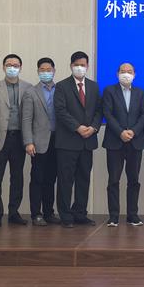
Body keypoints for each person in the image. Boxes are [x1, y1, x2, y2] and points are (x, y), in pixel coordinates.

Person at [54, 51, 103, 228]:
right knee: (65, 181)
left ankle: (80, 213)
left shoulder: (94, 86)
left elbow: (99, 110)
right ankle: (66, 216)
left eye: (82, 65)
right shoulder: (62, 86)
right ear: (71, 66)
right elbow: (60, 111)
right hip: (67, 142)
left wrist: (94, 128)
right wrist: (77, 127)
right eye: (76, 65)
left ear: (87, 66)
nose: (80, 68)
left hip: (87, 141)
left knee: (84, 179)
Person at [102, 62, 144, 227]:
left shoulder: (140, 92)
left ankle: (132, 215)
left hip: (135, 142)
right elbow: (107, 113)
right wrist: (121, 132)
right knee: (113, 180)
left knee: (134, 180)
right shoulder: (109, 91)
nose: (126, 74)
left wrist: (133, 131)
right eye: (123, 71)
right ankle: (114, 216)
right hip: (115, 141)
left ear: (134, 74)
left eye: (129, 71)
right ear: (117, 74)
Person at [0, 54, 32, 227]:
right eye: (9, 64)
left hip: (19, 138)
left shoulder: (28, 88)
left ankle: (14, 212)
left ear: (21, 67)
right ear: (3, 67)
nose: (12, 68)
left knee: (17, 178)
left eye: (15, 65)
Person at [22, 57, 60, 226]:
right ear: (38, 71)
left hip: (58, 141)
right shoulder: (31, 92)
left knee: (51, 179)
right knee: (37, 178)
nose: (45, 72)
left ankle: (49, 212)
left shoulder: (61, 90)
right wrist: (28, 142)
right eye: (42, 70)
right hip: (38, 142)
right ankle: (36, 214)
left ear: (54, 71)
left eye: (48, 69)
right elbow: (26, 119)